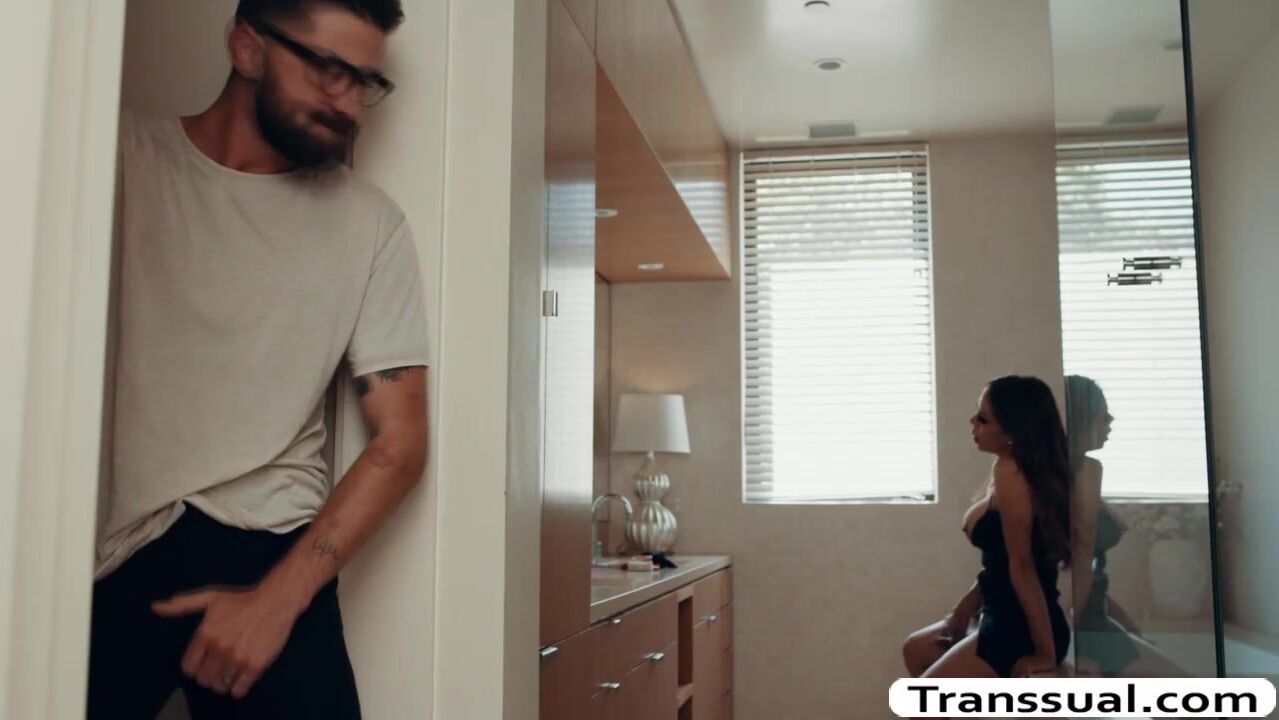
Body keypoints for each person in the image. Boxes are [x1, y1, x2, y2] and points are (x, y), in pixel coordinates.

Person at [88, 1, 426, 717]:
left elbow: (400, 442)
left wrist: (277, 602)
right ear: (247, 48)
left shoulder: (371, 224)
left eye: (366, 82)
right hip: (104, 551)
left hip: (270, 550)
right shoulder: (112, 159)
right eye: (329, 69)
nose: (349, 104)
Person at [902, 375, 1072, 679]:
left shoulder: (1013, 472)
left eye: (983, 419)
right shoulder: (1008, 468)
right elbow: (999, 561)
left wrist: (1045, 653)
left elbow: (1023, 566)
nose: (972, 422)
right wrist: (963, 610)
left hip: (1017, 627)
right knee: (917, 649)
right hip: (997, 612)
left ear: (1013, 430)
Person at [1066, 375, 1189, 678]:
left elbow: (1091, 575)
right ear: (1081, 418)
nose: (1111, 421)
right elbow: (1074, 564)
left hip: (1095, 621)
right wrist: (1069, 642)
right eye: (1103, 414)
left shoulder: (1084, 471)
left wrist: (1127, 625)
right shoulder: (1080, 472)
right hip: (1082, 627)